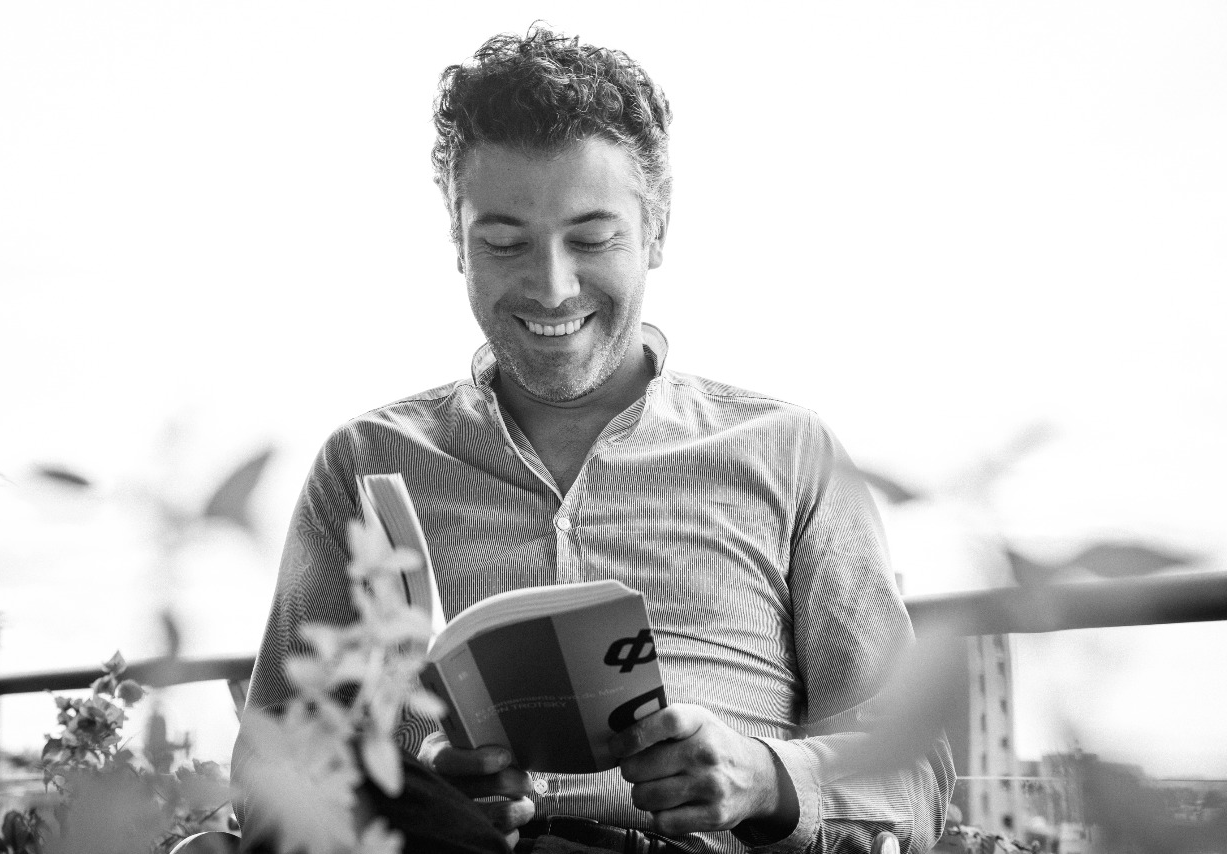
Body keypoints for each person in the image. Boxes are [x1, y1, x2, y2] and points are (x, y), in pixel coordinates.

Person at [234, 25, 953, 854]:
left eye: (592, 239)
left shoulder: (790, 453)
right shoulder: (366, 462)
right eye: (504, 243)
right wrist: (425, 789)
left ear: (657, 229)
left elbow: (912, 781)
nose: (552, 287)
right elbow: (268, 782)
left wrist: (761, 778)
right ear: (457, 242)